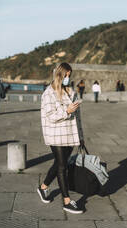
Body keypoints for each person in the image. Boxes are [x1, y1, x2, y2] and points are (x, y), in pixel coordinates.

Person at [38, 62, 84, 214]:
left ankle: (43, 187)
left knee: (59, 163)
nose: (68, 78)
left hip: (70, 134)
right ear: (59, 74)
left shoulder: (71, 91)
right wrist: (67, 111)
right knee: (62, 167)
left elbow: (78, 117)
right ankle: (66, 201)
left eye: (70, 75)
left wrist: (81, 137)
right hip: (55, 134)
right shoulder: (48, 93)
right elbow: (51, 116)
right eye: (66, 75)